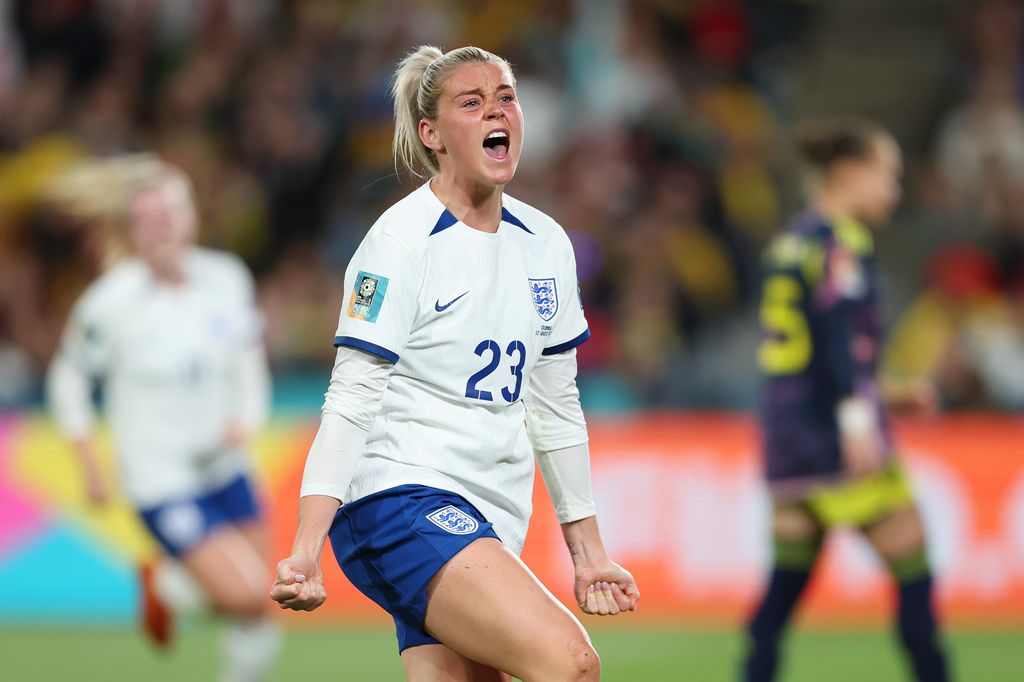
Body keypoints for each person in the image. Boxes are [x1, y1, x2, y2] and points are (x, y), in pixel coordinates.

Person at [269, 45, 640, 681]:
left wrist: (589, 553)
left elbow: (554, 405)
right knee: (570, 663)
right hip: (399, 499)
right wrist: (306, 548)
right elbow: (351, 398)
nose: (497, 111)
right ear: (432, 135)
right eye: (472, 103)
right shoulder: (399, 243)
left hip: (489, 513)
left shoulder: (547, 243)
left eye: (505, 98)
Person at [46, 156, 282, 682]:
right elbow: (68, 380)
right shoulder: (110, 304)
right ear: (131, 231)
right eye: (149, 217)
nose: (163, 224)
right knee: (244, 597)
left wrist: (247, 420)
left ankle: (170, 584)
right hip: (160, 478)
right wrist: (87, 461)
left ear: (192, 215)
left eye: (171, 211)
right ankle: (173, 582)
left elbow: (249, 362)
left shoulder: (226, 277)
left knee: (260, 599)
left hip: (225, 464)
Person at [744, 119, 951, 681]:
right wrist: (859, 416)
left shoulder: (791, 241)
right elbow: (840, 342)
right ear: (849, 173)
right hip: (837, 439)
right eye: (889, 175)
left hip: (788, 440)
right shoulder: (839, 243)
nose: (895, 191)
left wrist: (885, 392)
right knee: (916, 577)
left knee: (777, 606)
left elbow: (806, 355)